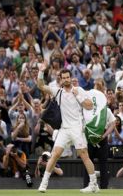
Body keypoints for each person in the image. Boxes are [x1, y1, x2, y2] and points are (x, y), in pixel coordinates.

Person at [36, 65, 99, 193]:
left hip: (77, 129)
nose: (66, 79)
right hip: (64, 129)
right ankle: (44, 184)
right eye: (63, 78)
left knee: (84, 156)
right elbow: (41, 86)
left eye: (67, 77)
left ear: (70, 78)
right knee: (55, 155)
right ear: (61, 79)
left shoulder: (79, 90)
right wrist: (41, 72)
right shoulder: (57, 91)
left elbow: (90, 105)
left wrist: (78, 96)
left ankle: (93, 185)